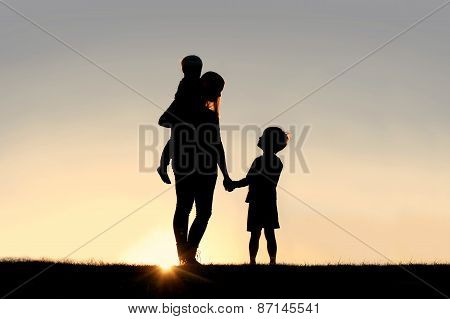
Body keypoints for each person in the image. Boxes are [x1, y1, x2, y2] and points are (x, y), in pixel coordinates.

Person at [166, 71, 232, 265]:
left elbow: (217, 144)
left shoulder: (211, 116)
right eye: (215, 89)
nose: (217, 94)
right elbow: (174, 138)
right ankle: (184, 255)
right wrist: (164, 162)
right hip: (187, 164)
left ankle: (188, 255)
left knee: (202, 212)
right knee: (185, 207)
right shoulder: (186, 109)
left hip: (206, 168)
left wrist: (226, 175)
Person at [227, 127, 289, 265]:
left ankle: (253, 261)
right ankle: (271, 261)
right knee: (269, 232)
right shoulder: (277, 162)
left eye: (262, 137)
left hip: (258, 200)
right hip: (269, 200)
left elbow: (250, 179)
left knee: (256, 234)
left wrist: (234, 184)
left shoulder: (260, 161)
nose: (259, 138)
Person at [157, 55, 203, 184]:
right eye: (192, 69)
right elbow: (180, 98)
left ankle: (163, 166)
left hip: (188, 119)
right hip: (183, 114)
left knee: (176, 138)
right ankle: (163, 166)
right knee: (176, 138)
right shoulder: (186, 82)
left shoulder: (196, 82)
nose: (195, 71)